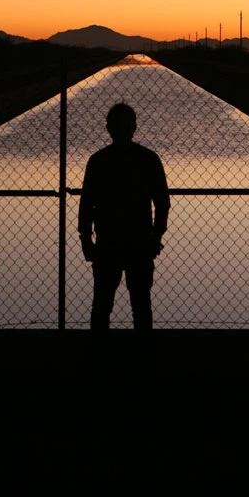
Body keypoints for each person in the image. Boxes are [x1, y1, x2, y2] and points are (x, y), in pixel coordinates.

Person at [78, 102, 170, 333]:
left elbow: (87, 205)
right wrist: (155, 236)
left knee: (104, 304)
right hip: (134, 242)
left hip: (114, 242)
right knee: (138, 305)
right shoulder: (147, 159)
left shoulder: (99, 161)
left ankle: (101, 354)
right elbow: (162, 203)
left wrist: (86, 240)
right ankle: (142, 355)